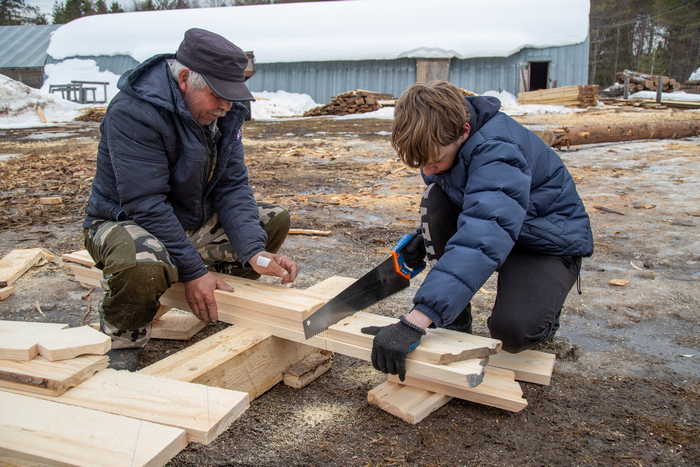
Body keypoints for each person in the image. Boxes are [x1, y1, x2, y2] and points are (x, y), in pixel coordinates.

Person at [83, 28, 298, 371]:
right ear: (184, 79)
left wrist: (254, 253)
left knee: (271, 221)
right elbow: (145, 204)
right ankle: (123, 338)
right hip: (125, 221)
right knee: (144, 265)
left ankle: (216, 288)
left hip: (185, 222)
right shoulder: (134, 112)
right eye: (217, 95)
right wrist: (194, 270)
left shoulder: (223, 114)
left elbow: (232, 187)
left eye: (232, 96)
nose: (226, 106)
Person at [361, 80, 594, 381]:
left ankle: (545, 315)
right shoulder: (445, 140)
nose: (428, 171)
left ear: (464, 132)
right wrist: (424, 238)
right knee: (435, 199)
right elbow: (476, 209)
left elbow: (484, 231)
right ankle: (454, 322)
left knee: (512, 333)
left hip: (544, 241)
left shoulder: (498, 151)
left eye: (435, 161)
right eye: (422, 163)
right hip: (499, 228)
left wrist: (416, 320)